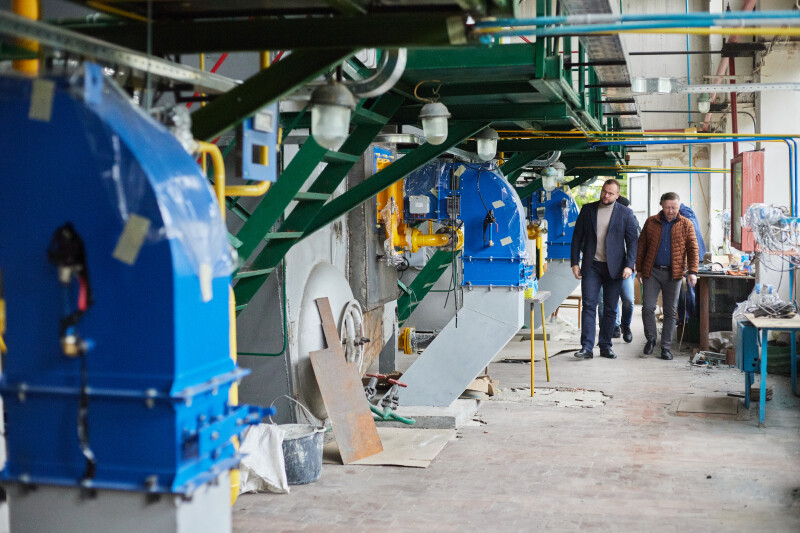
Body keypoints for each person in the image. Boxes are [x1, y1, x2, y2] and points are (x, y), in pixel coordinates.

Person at [570, 179, 639, 359]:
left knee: (610, 308)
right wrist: (574, 262)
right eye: (604, 191)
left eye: (610, 193)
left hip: (615, 268)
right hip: (591, 265)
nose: (606, 196)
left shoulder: (625, 213)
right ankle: (586, 348)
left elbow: (632, 241)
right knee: (589, 305)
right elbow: (577, 237)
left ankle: (605, 346)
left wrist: (629, 265)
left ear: (617, 195)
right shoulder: (588, 210)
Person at [635, 192, 699, 360]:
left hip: (674, 274)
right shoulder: (651, 222)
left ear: (679, 207)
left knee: (670, 311)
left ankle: (665, 347)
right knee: (648, 307)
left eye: (674, 208)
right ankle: (651, 339)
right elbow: (641, 246)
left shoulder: (686, 224)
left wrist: (693, 272)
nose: (670, 211)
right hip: (652, 272)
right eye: (667, 207)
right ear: (661, 206)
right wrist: (639, 270)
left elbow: (693, 248)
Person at [598, 195, 639, 343]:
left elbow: (636, 243)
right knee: (606, 300)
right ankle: (611, 328)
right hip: (605, 266)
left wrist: (633, 262)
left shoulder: (632, 220)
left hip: (626, 267)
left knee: (628, 300)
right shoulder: (604, 220)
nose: (629, 211)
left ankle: (625, 326)